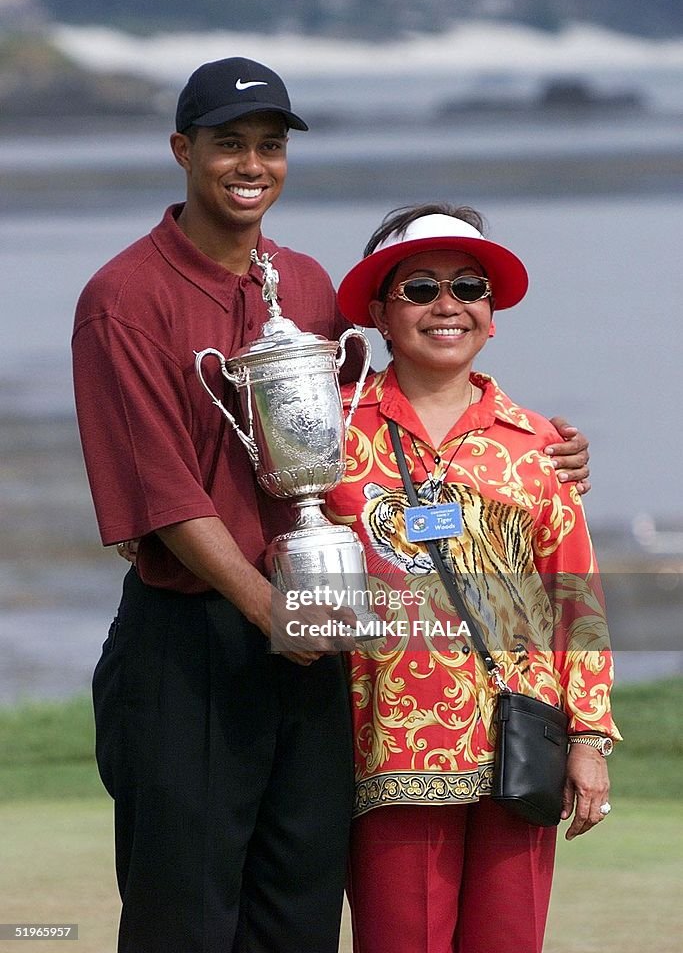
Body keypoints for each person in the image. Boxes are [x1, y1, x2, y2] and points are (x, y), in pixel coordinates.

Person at [72, 54, 592, 953]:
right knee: (186, 920)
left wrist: (540, 447)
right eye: (227, 144)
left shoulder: (305, 283)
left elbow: (377, 421)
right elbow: (161, 494)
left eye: (268, 146)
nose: (251, 164)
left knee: (298, 913)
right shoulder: (124, 299)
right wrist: (272, 609)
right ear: (180, 150)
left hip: (314, 643)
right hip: (195, 638)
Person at [326, 203, 621, 953]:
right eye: (420, 289)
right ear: (380, 316)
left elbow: (573, 601)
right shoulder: (332, 438)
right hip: (382, 749)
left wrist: (588, 740)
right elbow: (300, 587)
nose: (448, 305)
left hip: (520, 744)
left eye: (469, 287)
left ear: (492, 317)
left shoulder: (538, 446)